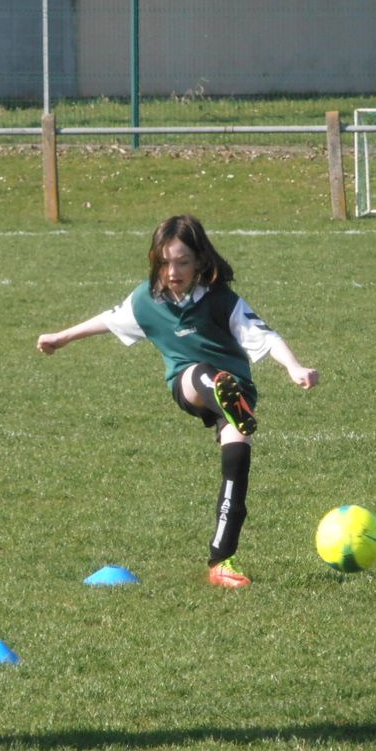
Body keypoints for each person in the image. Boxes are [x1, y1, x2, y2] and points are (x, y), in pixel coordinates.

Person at [36, 214, 318, 588]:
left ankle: (221, 562)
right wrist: (62, 337)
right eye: (166, 262)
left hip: (239, 390)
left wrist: (295, 367)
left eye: (183, 262)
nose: (173, 272)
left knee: (236, 470)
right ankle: (222, 392)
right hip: (190, 383)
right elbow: (108, 319)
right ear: (156, 260)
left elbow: (265, 336)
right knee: (199, 373)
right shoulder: (147, 300)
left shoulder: (220, 300)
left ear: (200, 260)